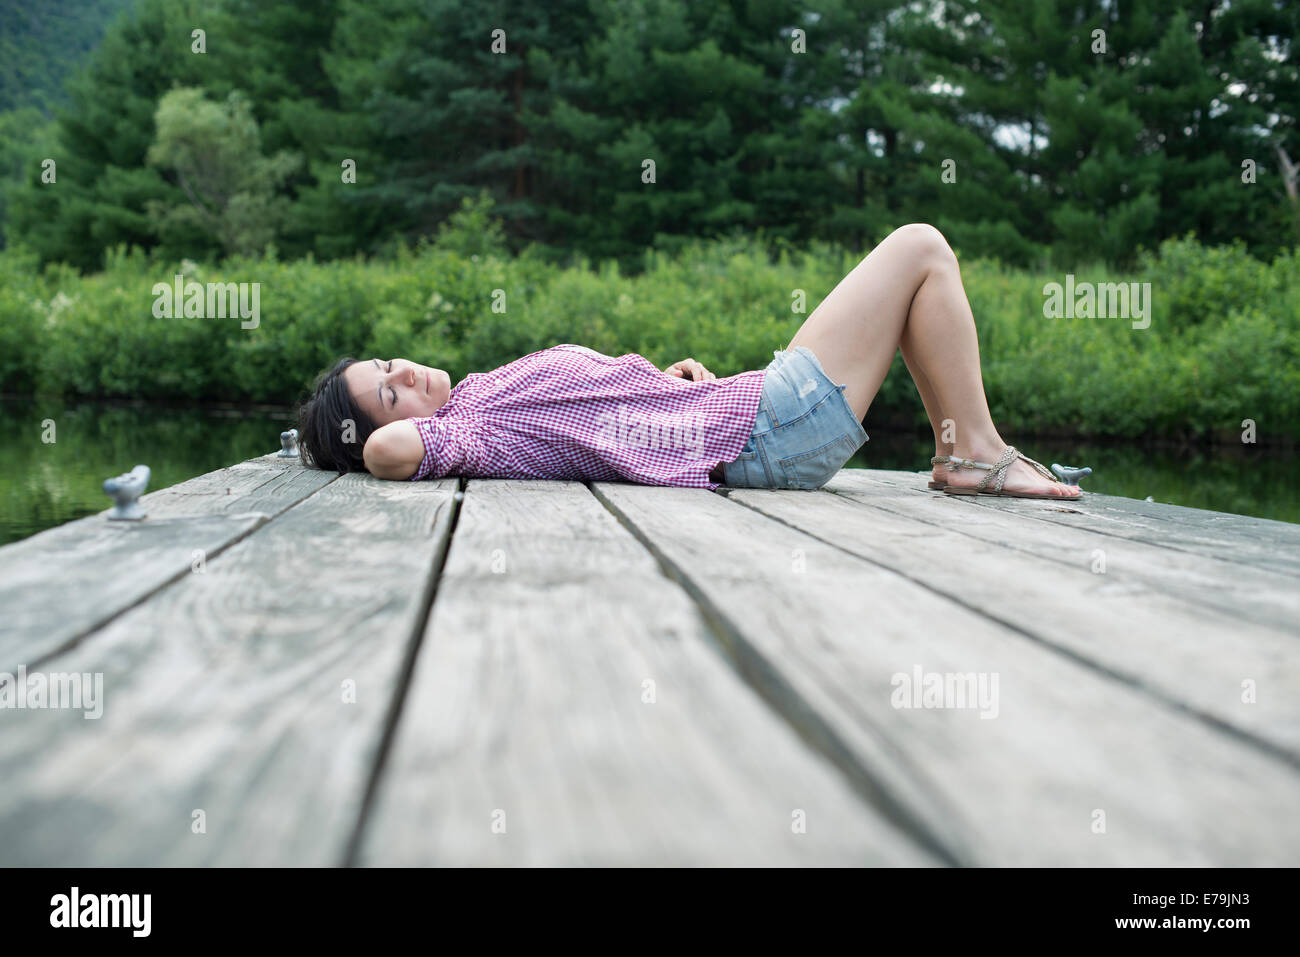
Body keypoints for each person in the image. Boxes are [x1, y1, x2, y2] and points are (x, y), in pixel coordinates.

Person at [295, 223, 1081, 499]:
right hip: (765, 432)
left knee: (912, 272)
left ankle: (961, 452)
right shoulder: (465, 435)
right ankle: (974, 452)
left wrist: (656, 387)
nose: (405, 375)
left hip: (743, 416)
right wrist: (362, 443)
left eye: (389, 363)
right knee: (920, 250)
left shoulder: (475, 396)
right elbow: (390, 452)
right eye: (390, 393)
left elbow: (587, 416)